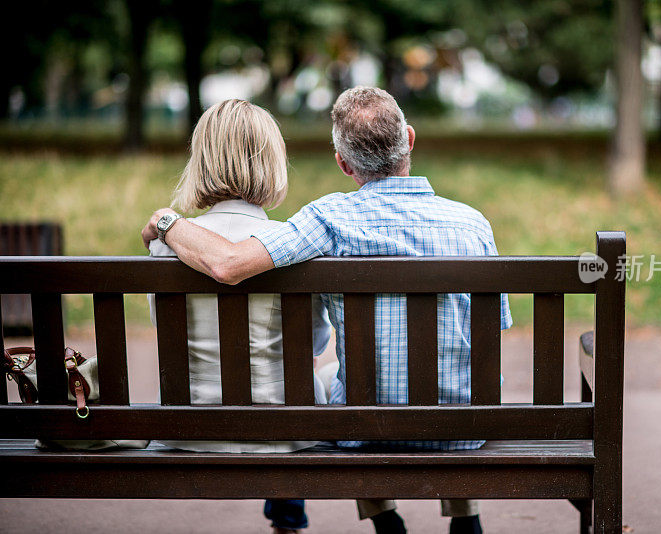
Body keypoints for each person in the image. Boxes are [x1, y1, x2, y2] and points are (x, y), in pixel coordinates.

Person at [142, 86, 512, 534]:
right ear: (409, 139)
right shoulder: (473, 223)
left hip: (362, 428)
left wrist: (166, 223)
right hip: (464, 428)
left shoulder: (328, 219)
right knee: (437, 357)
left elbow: (229, 264)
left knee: (353, 376)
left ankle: (383, 517)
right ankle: (465, 517)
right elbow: (492, 330)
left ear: (342, 163)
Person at [146, 98, 331, 534]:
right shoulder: (292, 245)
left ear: (201, 163)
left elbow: (165, 332)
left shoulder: (166, 246)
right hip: (287, 432)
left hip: (189, 426)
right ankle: (288, 517)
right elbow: (317, 343)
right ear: (273, 163)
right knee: (312, 374)